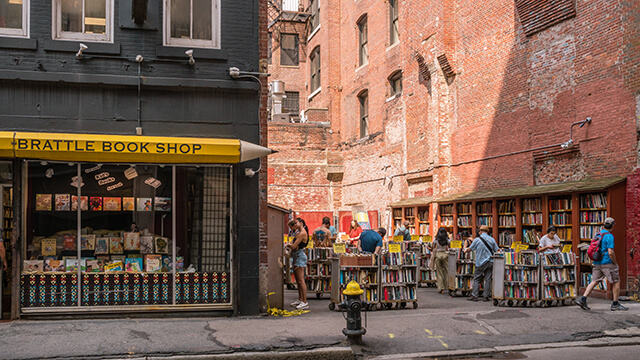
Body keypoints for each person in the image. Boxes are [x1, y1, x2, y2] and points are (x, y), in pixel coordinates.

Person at [577, 217, 628, 311]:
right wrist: (615, 262)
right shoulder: (609, 236)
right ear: (612, 226)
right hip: (607, 262)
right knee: (616, 281)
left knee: (594, 281)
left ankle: (583, 299)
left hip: (597, 262)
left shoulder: (598, 234)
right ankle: (615, 304)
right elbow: (610, 252)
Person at [464, 225, 499, 301]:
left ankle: (475, 295)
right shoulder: (492, 239)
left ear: (480, 231)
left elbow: (471, 248)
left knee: (477, 278)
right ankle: (486, 296)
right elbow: (497, 250)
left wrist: (466, 250)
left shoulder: (477, 240)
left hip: (480, 262)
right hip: (490, 261)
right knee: (488, 279)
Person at [286, 218, 309, 310]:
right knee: (298, 281)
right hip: (296, 256)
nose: (295, 224)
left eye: (296, 222)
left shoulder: (302, 233)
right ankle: (301, 299)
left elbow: (294, 246)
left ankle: (304, 301)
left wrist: (286, 245)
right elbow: (293, 244)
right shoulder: (298, 233)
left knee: (300, 280)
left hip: (299, 256)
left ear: (301, 223)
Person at [432, 227, 450, 294]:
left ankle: (441, 288)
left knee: (439, 272)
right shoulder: (447, 239)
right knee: (446, 271)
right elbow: (450, 247)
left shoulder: (436, 239)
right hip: (445, 254)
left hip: (438, 254)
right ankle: (447, 286)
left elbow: (432, 247)